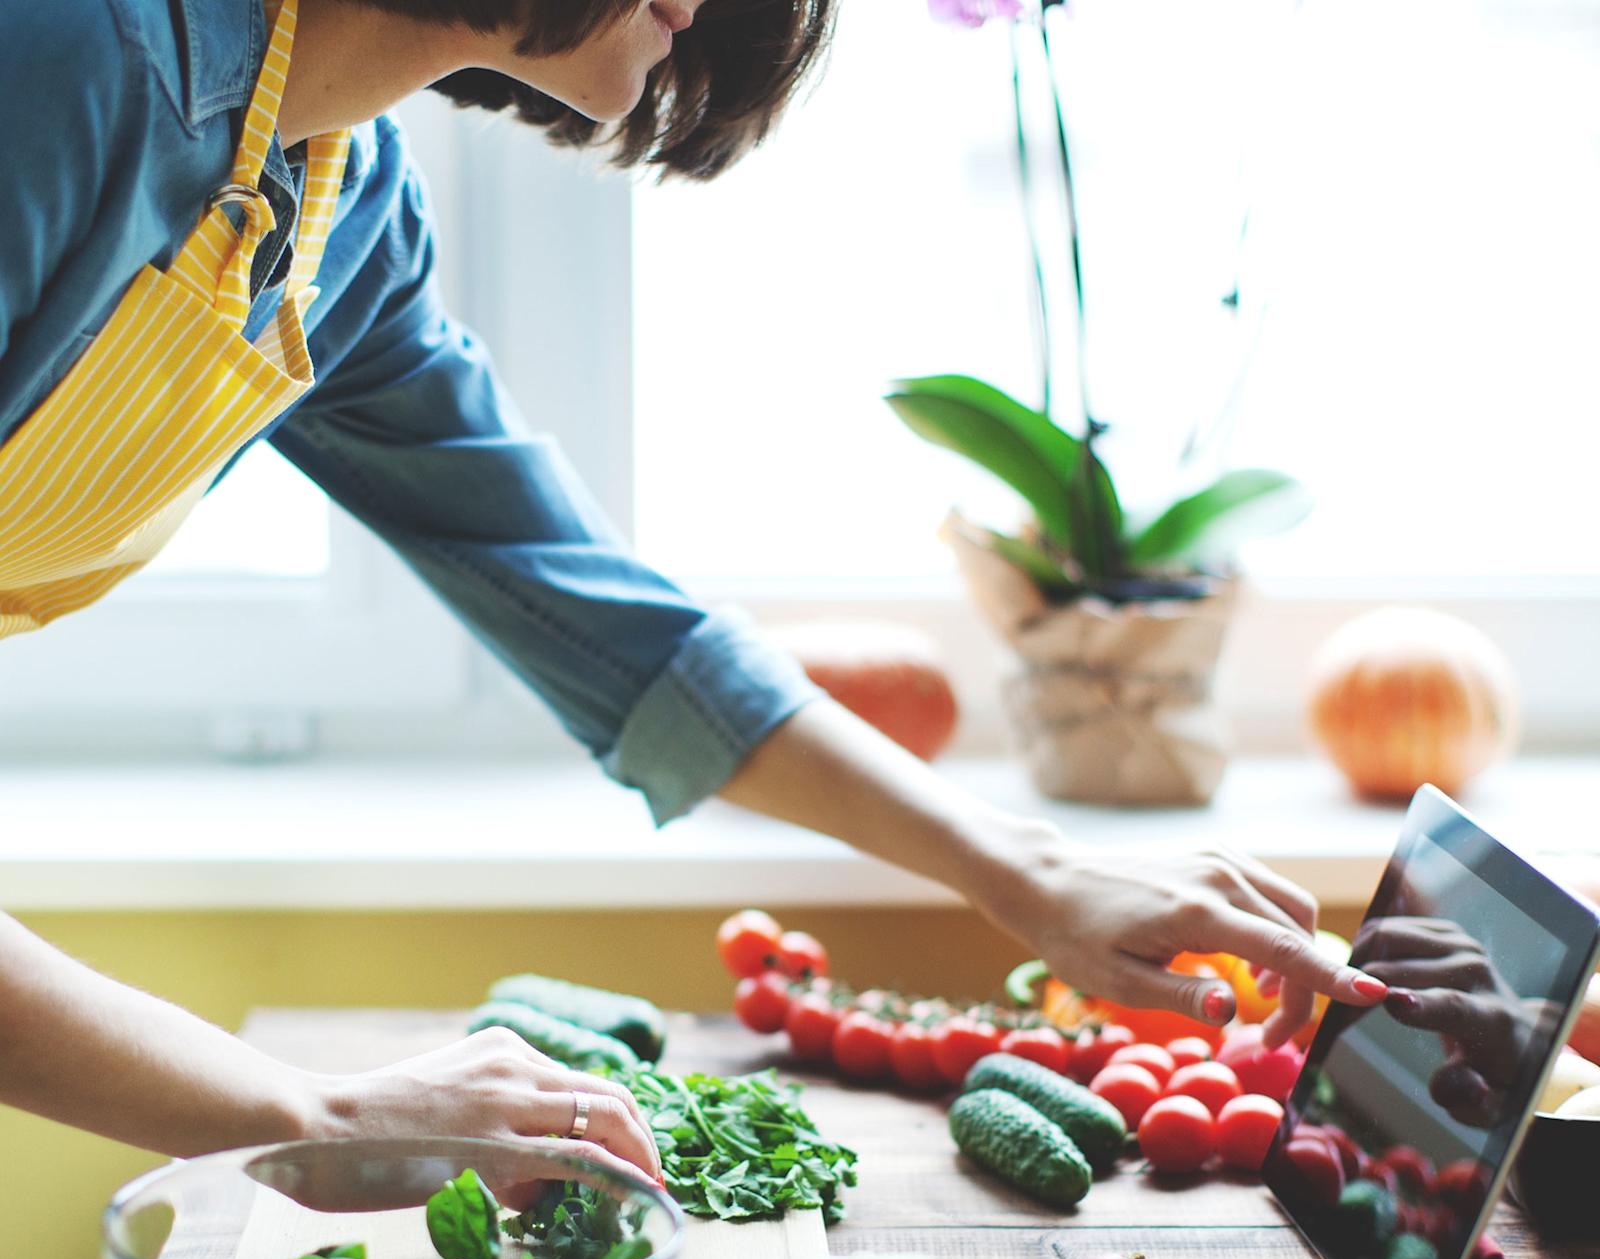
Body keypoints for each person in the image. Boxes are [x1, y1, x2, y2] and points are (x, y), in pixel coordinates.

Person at [0, 0, 1387, 1181]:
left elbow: (611, 629)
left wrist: (1029, 869)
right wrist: (313, 1114)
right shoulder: (63, 64)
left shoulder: (339, 216)